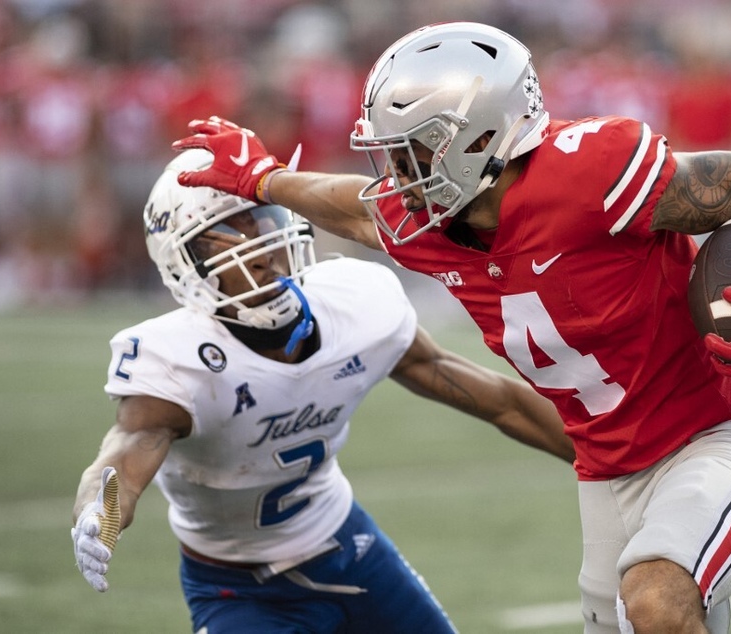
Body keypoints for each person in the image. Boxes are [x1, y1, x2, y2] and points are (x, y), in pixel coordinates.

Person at [170, 21, 731, 634]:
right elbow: (353, 205)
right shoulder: (424, 221)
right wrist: (263, 179)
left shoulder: (589, 173)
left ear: (482, 134)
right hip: (603, 468)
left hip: (716, 435)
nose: (399, 174)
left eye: (415, 150)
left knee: (655, 600)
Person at [71, 147, 574, 634]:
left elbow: (497, 400)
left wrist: (602, 458)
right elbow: (125, 454)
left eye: (260, 222)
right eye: (226, 238)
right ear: (185, 266)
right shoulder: (180, 360)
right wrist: (99, 508)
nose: (259, 247)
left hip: (348, 548)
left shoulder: (352, 304)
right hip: (236, 586)